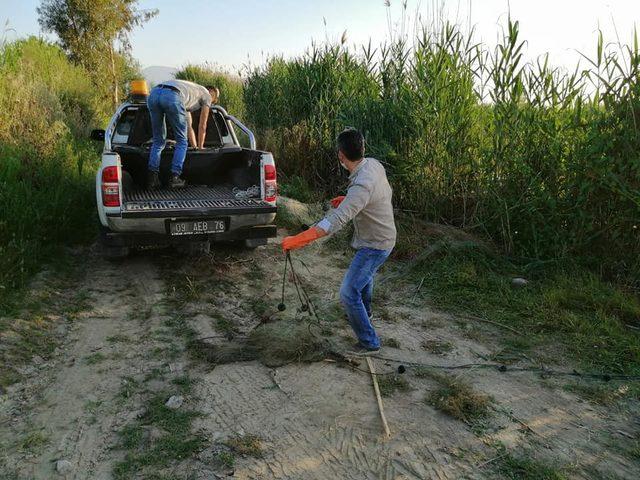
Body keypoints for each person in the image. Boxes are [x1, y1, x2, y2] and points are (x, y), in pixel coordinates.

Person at [282, 128, 397, 355]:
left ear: (341, 156)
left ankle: (369, 342)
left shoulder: (361, 186)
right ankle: (366, 314)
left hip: (376, 244)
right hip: (378, 238)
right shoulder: (373, 165)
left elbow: (332, 223)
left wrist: (298, 240)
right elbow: (379, 192)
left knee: (348, 292)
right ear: (363, 149)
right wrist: (349, 201)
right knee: (364, 279)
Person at [146, 80, 218, 189]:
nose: (212, 103)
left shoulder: (190, 92)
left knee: (158, 141)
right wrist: (201, 148)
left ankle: (152, 179)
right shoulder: (206, 95)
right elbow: (203, 125)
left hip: (154, 93)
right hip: (173, 96)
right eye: (214, 100)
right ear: (212, 94)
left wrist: (195, 147)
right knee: (182, 141)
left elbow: (189, 127)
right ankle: (175, 178)